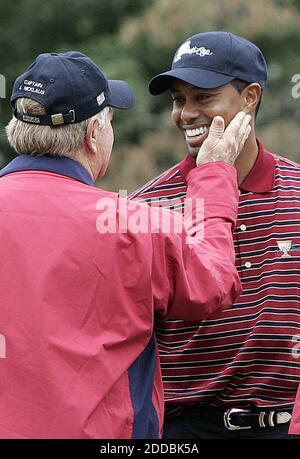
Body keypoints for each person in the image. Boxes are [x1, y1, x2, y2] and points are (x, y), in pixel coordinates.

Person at [0, 51, 248, 439]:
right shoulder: (132, 223)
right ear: (93, 135)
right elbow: (214, 282)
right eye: (110, 121)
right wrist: (215, 175)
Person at [130, 31, 300, 439]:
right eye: (178, 99)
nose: (185, 114)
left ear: (250, 97)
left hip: (285, 424)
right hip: (183, 429)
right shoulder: (145, 207)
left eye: (202, 97)